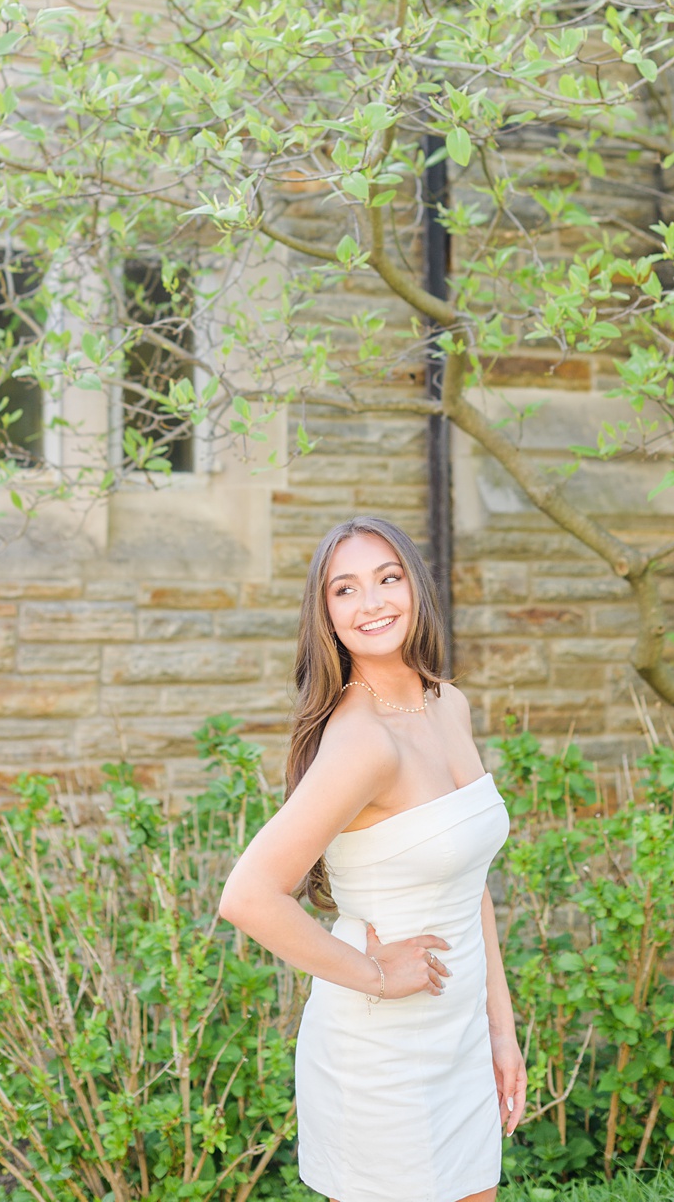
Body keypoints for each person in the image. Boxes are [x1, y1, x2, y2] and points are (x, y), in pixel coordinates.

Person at [218, 515, 525, 1202]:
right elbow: (249, 894)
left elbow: (469, 885)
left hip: (460, 1034)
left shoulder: (449, 706)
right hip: (381, 1055)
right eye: (345, 590)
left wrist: (500, 1034)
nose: (373, 603)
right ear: (325, 615)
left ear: (415, 586)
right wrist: (374, 976)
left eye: (387, 579)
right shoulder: (362, 743)